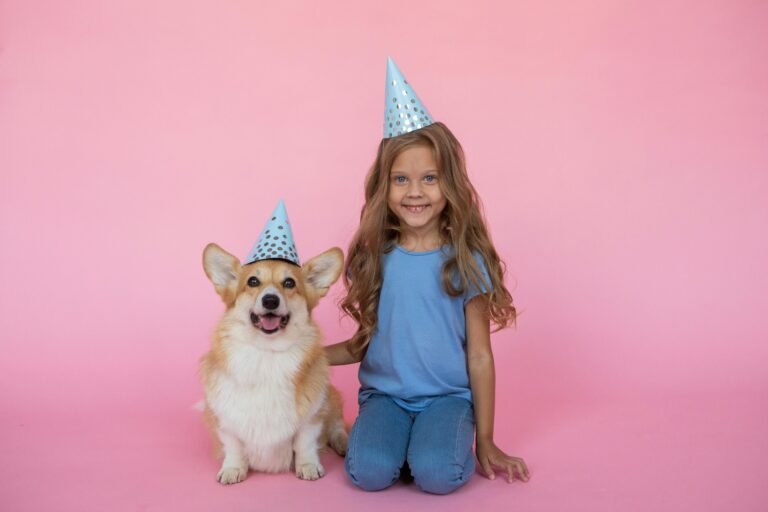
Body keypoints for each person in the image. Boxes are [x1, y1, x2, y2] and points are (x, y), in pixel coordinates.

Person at [325, 58, 530, 495]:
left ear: (450, 185)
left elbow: (478, 355)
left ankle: (439, 439)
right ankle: (395, 440)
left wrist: (488, 441)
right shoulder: (375, 256)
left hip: (447, 398)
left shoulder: (466, 259)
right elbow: (366, 341)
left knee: (438, 476)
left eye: (429, 178)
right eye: (401, 179)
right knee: (369, 475)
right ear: (385, 186)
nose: (415, 192)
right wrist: (301, 354)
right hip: (385, 397)